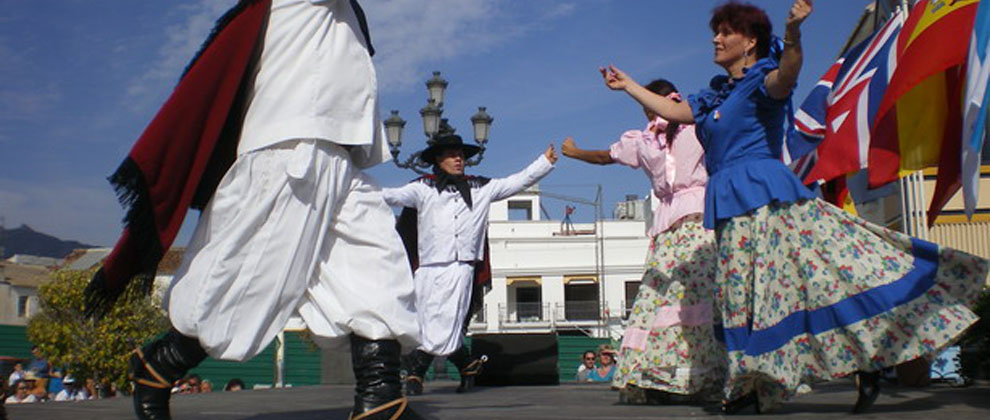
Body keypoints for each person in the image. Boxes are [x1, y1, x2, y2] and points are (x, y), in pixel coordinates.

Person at [601, 0, 989, 414]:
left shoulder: (761, 82)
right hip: (730, 204)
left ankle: (762, 386)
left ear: (750, 42)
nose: (716, 38)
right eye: (715, 31)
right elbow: (675, 110)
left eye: (726, 32)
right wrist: (629, 86)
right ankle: (763, 382)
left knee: (788, 290)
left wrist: (793, 35)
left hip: (767, 197)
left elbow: (788, 76)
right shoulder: (716, 93)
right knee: (741, 296)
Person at [87, 1, 422, 419]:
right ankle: (158, 364)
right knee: (242, 282)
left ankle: (380, 399)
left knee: (379, 270)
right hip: (287, 151)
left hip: (340, 157)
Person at [563, 78, 724, 402]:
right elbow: (606, 156)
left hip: (694, 220)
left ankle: (688, 375)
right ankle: (667, 376)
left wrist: (575, 152)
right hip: (679, 224)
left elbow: (603, 157)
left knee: (679, 298)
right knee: (672, 298)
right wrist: (575, 152)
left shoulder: (692, 122)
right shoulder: (646, 139)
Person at [383, 134, 557, 395]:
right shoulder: (422, 188)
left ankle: (416, 373)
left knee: (448, 322)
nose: (458, 159)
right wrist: (352, 190)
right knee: (421, 321)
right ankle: (467, 364)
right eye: (452, 155)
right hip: (428, 266)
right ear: (438, 160)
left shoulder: (481, 187)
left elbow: (517, 182)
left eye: (461, 155)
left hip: (460, 266)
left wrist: (543, 162)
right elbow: (391, 196)